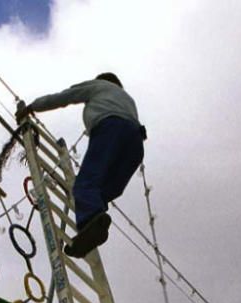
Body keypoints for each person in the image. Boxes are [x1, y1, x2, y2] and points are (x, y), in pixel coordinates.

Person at [16, 72, 145, 258]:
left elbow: (65, 97)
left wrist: (33, 106)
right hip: (135, 142)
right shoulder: (128, 99)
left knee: (85, 184)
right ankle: (95, 221)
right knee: (106, 190)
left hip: (110, 128)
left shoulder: (98, 86)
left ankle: (90, 223)